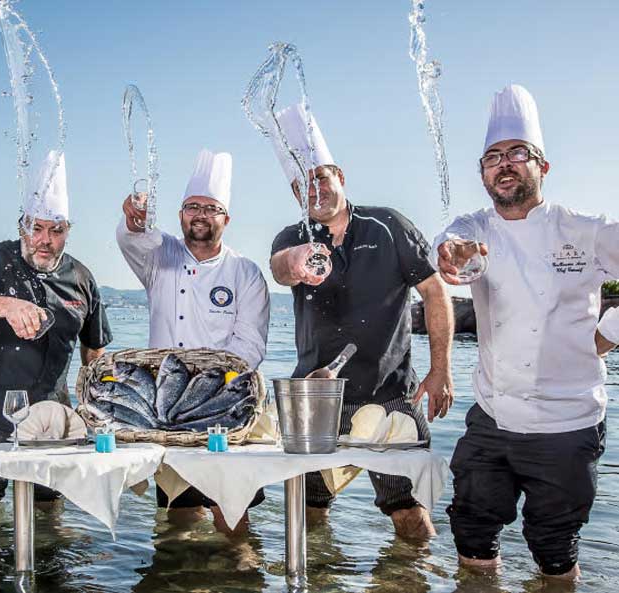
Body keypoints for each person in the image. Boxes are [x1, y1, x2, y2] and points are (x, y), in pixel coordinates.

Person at [435, 84, 613, 580]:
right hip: (493, 416)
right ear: (484, 173)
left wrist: (611, 331)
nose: (504, 164)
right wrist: (454, 256)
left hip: (567, 422)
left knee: (554, 548)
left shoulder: (585, 229)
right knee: (470, 531)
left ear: (543, 167)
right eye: (492, 157)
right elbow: (451, 249)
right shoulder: (474, 227)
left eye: (518, 153)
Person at [268, 104, 454, 540]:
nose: (314, 189)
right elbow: (279, 267)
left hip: (390, 397)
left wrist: (441, 368)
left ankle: (409, 582)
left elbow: (434, 290)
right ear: (295, 193)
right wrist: (295, 263)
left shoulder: (388, 226)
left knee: (409, 516)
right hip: (314, 400)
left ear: (340, 177)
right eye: (303, 183)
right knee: (309, 513)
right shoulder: (292, 237)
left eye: (321, 177)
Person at [0, 151, 111, 508]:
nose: (44, 240)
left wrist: (92, 404)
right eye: (36, 228)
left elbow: (93, 349)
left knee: (49, 502)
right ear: (22, 225)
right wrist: (5, 305)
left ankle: (49, 564)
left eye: (56, 230)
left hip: (51, 414)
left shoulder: (82, 278)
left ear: (69, 231)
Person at [117, 148, 270, 530]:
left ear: (226, 218)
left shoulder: (245, 273)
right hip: (167, 411)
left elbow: (249, 348)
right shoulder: (160, 256)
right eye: (192, 206)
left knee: (231, 513)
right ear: (181, 214)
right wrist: (133, 219)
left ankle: (240, 581)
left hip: (224, 410)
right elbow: (132, 237)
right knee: (178, 514)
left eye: (211, 208)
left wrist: (204, 388)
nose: (200, 214)